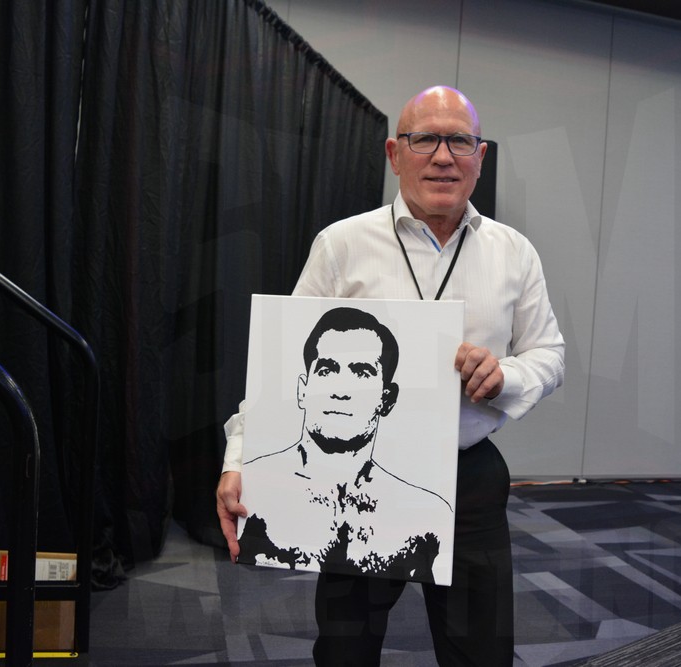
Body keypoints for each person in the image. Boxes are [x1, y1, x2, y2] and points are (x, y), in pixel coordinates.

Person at [217, 85, 565, 666]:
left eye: (460, 140)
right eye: (425, 138)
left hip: (467, 478)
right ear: (394, 153)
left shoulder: (514, 253)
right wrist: (239, 459)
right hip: (350, 479)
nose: (443, 155)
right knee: (346, 649)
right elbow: (285, 368)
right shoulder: (343, 244)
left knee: (480, 652)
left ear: (481, 156)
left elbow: (548, 353)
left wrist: (504, 375)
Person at [235, 305, 453, 583]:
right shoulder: (256, 490)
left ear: (387, 399)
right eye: (327, 370)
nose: (340, 391)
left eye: (361, 373)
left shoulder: (427, 518)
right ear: (303, 389)